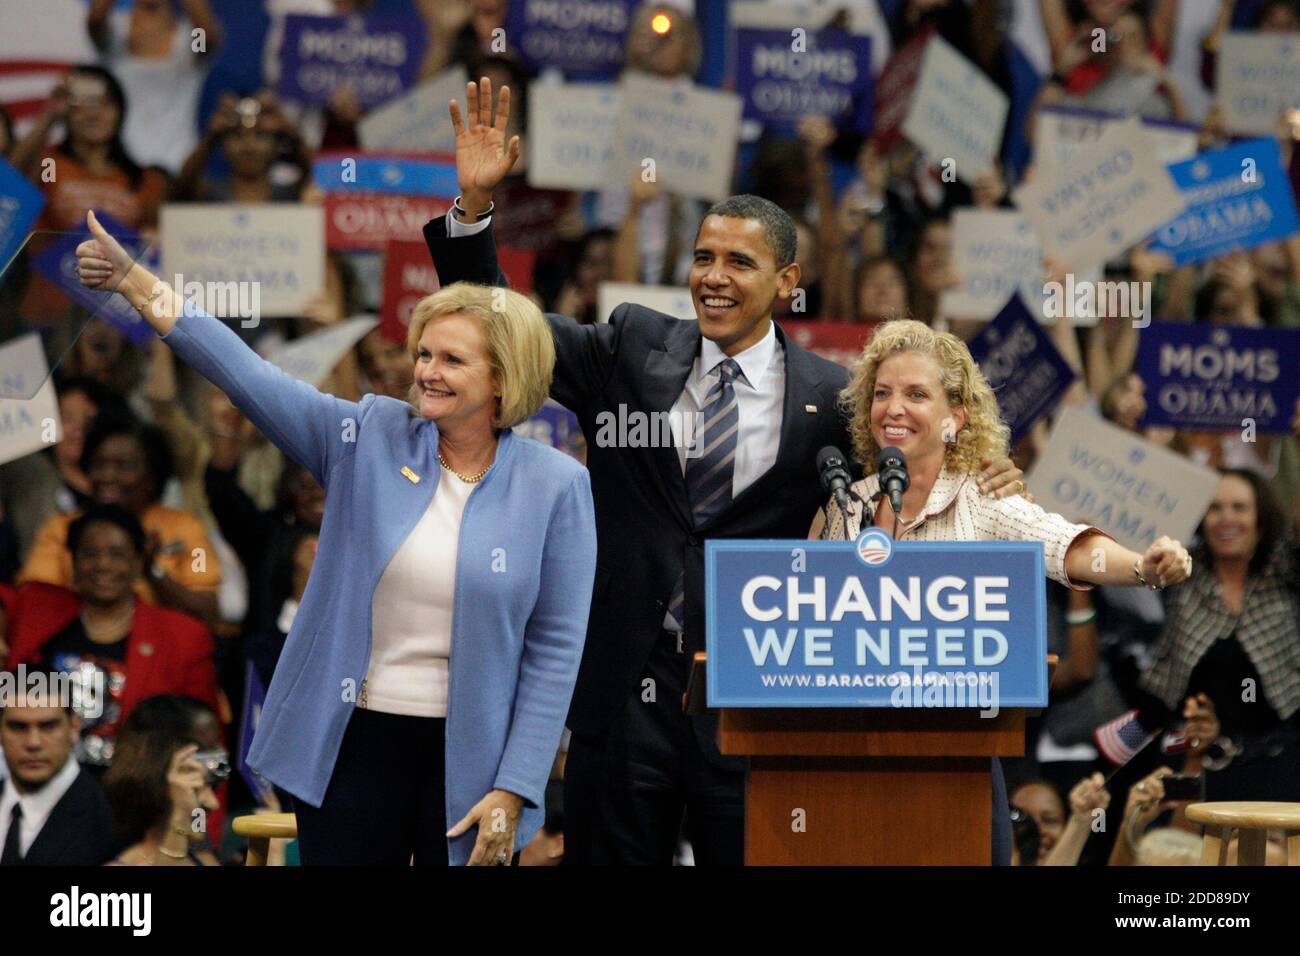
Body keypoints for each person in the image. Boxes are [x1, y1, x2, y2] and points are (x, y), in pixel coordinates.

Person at [424, 80, 1028, 865]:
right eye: (704, 256)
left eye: (740, 262)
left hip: (755, 699)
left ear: (787, 281)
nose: (713, 275)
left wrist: (989, 476)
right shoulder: (632, 346)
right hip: (625, 690)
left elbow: (911, 473)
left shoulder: (830, 397)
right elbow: (499, 326)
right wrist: (473, 211)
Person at [75, 210, 597, 866]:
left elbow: (555, 652)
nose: (427, 372)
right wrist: (136, 283)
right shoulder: (366, 437)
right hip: (351, 746)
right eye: (424, 354)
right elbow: (246, 375)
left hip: (472, 762)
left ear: (503, 378)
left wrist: (516, 786)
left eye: (452, 360)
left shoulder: (556, 485)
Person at [814, 319, 1194, 864]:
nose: (893, 408)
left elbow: (1069, 548)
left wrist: (1144, 567)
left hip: (957, 757)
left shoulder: (983, 498)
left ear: (955, 417)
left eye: (916, 394)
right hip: (852, 752)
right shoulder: (845, 503)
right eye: (882, 393)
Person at [3, 504, 218, 769]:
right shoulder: (37, 610)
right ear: (73, 560)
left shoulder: (183, 636)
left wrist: (198, 811)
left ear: (139, 563)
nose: (102, 565)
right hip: (43, 788)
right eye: (90, 554)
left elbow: (206, 740)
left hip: (136, 797)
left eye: (117, 555)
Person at [1137, 470, 1300, 802]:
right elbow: (1159, 695)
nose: (1226, 519)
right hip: (1193, 766)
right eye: (1214, 508)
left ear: (1261, 519)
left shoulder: (1282, 570)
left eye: (1239, 507)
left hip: (1279, 765)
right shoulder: (1180, 575)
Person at [19, 409, 223, 627]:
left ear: (152, 475)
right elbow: (33, 603)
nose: (108, 476)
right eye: (99, 465)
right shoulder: (61, 530)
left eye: (124, 466)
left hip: (164, 650)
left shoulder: (184, 528)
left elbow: (206, 609)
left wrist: (153, 571)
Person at [0, 669, 114, 865]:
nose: (33, 743)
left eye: (48, 726)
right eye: (18, 727)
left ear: (74, 727)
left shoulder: (109, 822)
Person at [102, 695, 223, 866]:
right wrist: (180, 816)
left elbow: (198, 832)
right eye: (202, 752)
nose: (212, 804)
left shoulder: (202, 854)